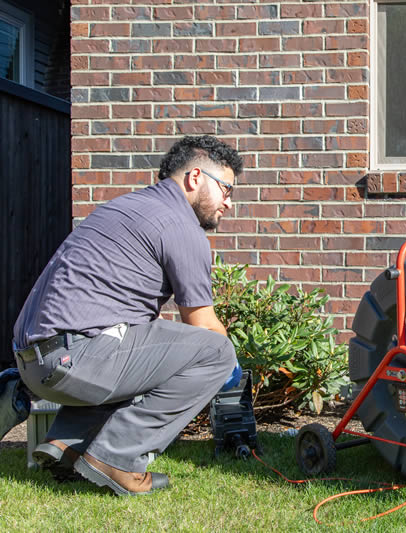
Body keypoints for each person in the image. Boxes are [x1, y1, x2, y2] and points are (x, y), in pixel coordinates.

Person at [11, 135, 243, 495]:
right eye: (226, 189)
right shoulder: (180, 226)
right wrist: (234, 373)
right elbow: (203, 325)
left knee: (143, 341)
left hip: (33, 360)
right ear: (196, 178)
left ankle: (65, 445)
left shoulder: (123, 208)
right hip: (73, 359)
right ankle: (117, 458)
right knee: (217, 353)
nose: (229, 203)